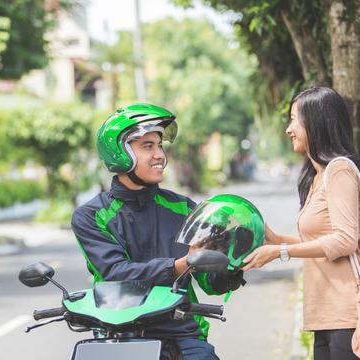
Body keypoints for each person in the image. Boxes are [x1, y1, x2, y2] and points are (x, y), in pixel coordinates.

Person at [71, 103, 245, 359]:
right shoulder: (91, 216)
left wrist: (233, 261)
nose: (160, 155)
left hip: (181, 333)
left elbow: (211, 283)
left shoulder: (184, 208)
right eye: (147, 146)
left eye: (160, 145)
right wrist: (179, 265)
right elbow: (115, 273)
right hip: (117, 335)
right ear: (120, 152)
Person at [241, 86, 360, 360]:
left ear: (317, 122)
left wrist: (280, 252)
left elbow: (345, 240)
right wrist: (277, 240)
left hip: (348, 316)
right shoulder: (317, 176)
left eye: (294, 119)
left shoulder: (340, 170)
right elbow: (322, 243)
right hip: (325, 316)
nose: (288, 129)